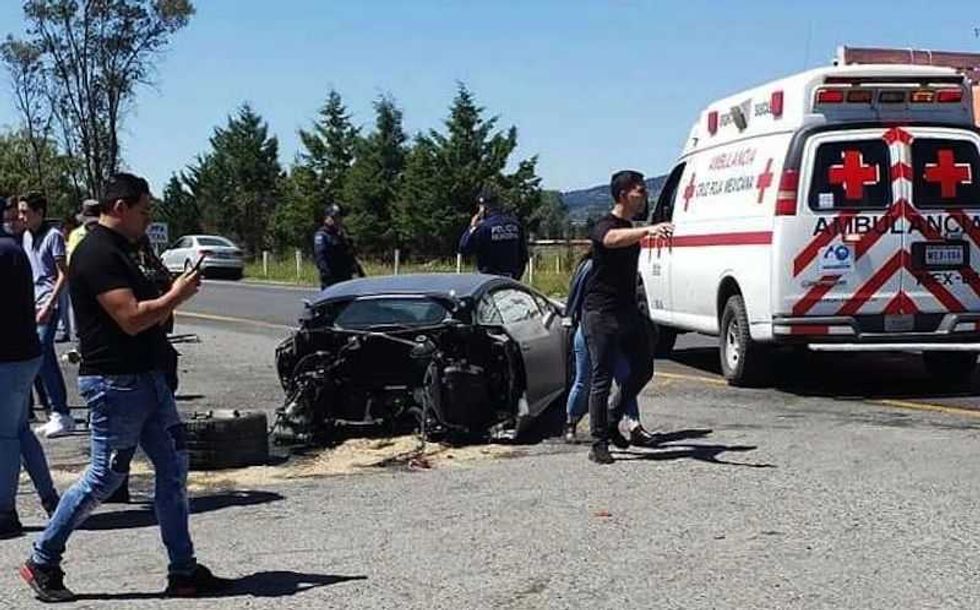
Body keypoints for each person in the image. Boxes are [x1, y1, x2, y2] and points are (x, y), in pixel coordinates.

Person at [20, 173, 230, 602]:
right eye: (144, 210)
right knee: (104, 476)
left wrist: (169, 289)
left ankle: (184, 570)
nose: (148, 218)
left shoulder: (125, 250)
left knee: (173, 471)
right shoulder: (97, 253)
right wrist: (177, 294)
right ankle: (43, 559)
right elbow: (131, 317)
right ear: (120, 208)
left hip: (148, 379)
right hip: (116, 385)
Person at [582, 170, 673, 465]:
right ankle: (598, 443)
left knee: (643, 368)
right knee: (602, 377)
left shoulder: (628, 226)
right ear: (623, 194)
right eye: (640, 190)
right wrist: (647, 231)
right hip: (600, 312)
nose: (644, 194)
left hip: (627, 311)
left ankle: (611, 418)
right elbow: (610, 240)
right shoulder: (606, 225)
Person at [564, 250, 660, 446]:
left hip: (615, 330)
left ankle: (634, 426)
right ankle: (571, 424)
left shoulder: (624, 270)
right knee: (585, 379)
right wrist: (569, 320)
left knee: (625, 377)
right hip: (589, 329)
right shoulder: (592, 267)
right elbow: (574, 297)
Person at [18, 193, 74, 438]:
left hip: (48, 304)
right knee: (37, 356)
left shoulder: (53, 237)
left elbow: (63, 273)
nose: (21, 217)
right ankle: (54, 411)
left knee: (42, 350)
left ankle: (62, 412)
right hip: (30, 304)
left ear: (39, 212)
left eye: (25, 212)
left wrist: (50, 304)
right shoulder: (27, 236)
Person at [458, 187, 529, 279]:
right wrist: (516, 277)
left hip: (489, 280)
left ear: (483, 208)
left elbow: (463, 248)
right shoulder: (516, 225)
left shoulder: (484, 228)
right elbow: (523, 257)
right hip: (511, 280)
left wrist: (472, 227)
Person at [313, 203, 365, 290]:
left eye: (338, 217)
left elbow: (350, 255)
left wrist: (360, 273)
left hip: (345, 279)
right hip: (331, 280)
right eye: (333, 217)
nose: (337, 220)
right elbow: (321, 258)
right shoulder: (322, 236)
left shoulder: (341, 236)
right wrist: (327, 277)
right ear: (327, 218)